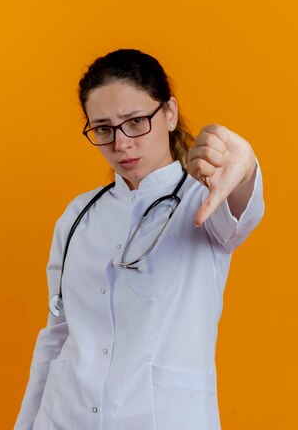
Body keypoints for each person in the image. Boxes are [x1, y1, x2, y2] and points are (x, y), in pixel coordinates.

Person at [14, 49, 265, 430]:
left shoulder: (202, 198)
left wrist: (245, 169)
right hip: (64, 417)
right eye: (103, 129)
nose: (121, 144)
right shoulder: (77, 216)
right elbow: (57, 333)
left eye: (135, 122)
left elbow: (240, 212)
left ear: (169, 113)